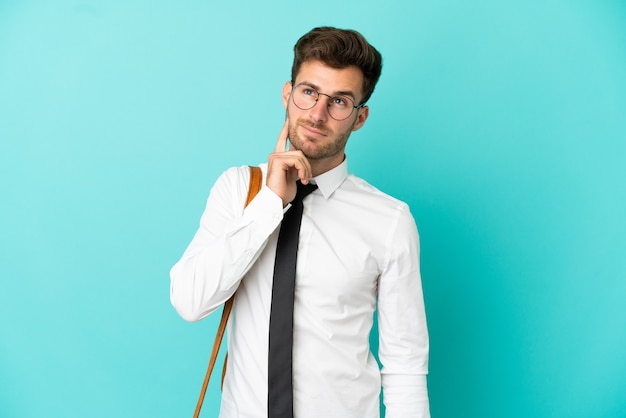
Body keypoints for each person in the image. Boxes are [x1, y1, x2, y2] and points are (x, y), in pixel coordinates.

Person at [170, 26, 430, 418]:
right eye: (309, 92)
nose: (318, 114)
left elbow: (405, 364)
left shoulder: (390, 221)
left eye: (339, 101)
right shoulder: (239, 189)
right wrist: (270, 203)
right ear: (287, 94)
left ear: (359, 118)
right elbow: (190, 302)